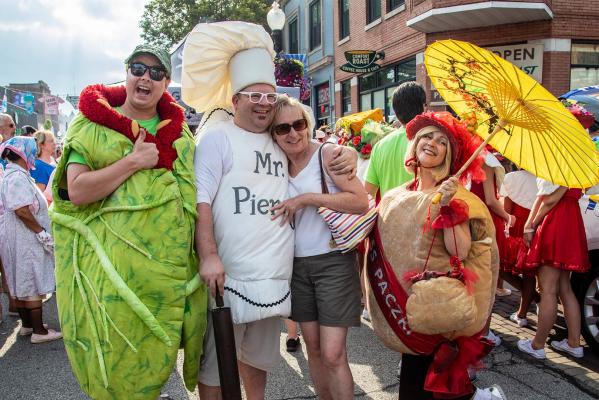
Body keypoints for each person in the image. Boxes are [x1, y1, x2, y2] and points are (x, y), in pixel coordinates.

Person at [183, 21, 357, 400]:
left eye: (268, 95)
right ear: (235, 101)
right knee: (217, 363)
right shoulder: (217, 138)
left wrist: (347, 152)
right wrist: (209, 255)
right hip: (228, 275)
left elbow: (312, 151)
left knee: (259, 359)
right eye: (253, 96)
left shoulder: (278, 138)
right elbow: (202, 200)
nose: (263, 103)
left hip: (274, 276)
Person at [49, 44, 208, 399]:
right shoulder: (90, 126)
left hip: (165, 275)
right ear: (126, 72)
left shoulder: (180, 136)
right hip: (112, 275)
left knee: (154, 358)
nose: (145, 78)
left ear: (166, 82)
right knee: (115, 360)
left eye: (156, 73)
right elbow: (75, 191)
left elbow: (193, 200)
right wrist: (133, 162)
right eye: (138, 68)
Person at [366, 111, 505, 400]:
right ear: (414, 144)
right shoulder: (396, 195)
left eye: (442, 141)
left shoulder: (460, 199)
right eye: (427, 136)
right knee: (413, 383)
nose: (432, 143)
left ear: (449, 156)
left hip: (439, 313)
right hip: (406, 308)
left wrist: (449, 207)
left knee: (433, 390)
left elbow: (461, 251)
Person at [270, 95, 368, 398]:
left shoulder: (327, 155)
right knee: (312, 349)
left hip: (333, 262)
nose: (293, 133)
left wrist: (308, 199)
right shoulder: (274, 163)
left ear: (308, 124)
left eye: (298, 124)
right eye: (283, 128)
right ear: (273, 134)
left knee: (333, 353)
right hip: (296, 266)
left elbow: (360, 201)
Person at [517, 180, 589, 359]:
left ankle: (537, 345)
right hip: (571, 219)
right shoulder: (580, 165)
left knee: (548, 289)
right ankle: (574, 343)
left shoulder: (560, 161)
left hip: (555, 218)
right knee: (565, 287)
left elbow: (549, 199)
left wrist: (531, 224)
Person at [0, 137, 61, 343]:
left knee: (23, 278)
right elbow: (22, 210)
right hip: (26, 236)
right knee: (30, 278)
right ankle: (39, 331)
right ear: (22, 154)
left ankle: (28, 326)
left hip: (21, 235)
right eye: (31, 152)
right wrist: (41, 232)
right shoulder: (16, 177)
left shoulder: (16, 175)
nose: (33, 156)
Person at [469, 151, 514, 346]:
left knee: (469, 277)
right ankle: (483, 332)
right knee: (486, 280)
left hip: (467, 219)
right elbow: (490, 199)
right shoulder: (484, 159)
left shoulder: (465, 155)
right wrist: (507, 216)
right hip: (484, 220)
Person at [364, 81, 426, 199]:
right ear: (424, 107)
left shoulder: (380, 146)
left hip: (388, 214)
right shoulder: (431, 145)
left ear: (396, 114)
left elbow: (369, 190)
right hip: (423, 215)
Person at [499, 169, 538, 327]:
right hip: (534, 229)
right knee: (529, 274)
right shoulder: (542, 180)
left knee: (500, 267)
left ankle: (534, 298)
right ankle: (522, 313)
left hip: (515, 230)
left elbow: (507, 212)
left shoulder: (511, 178)